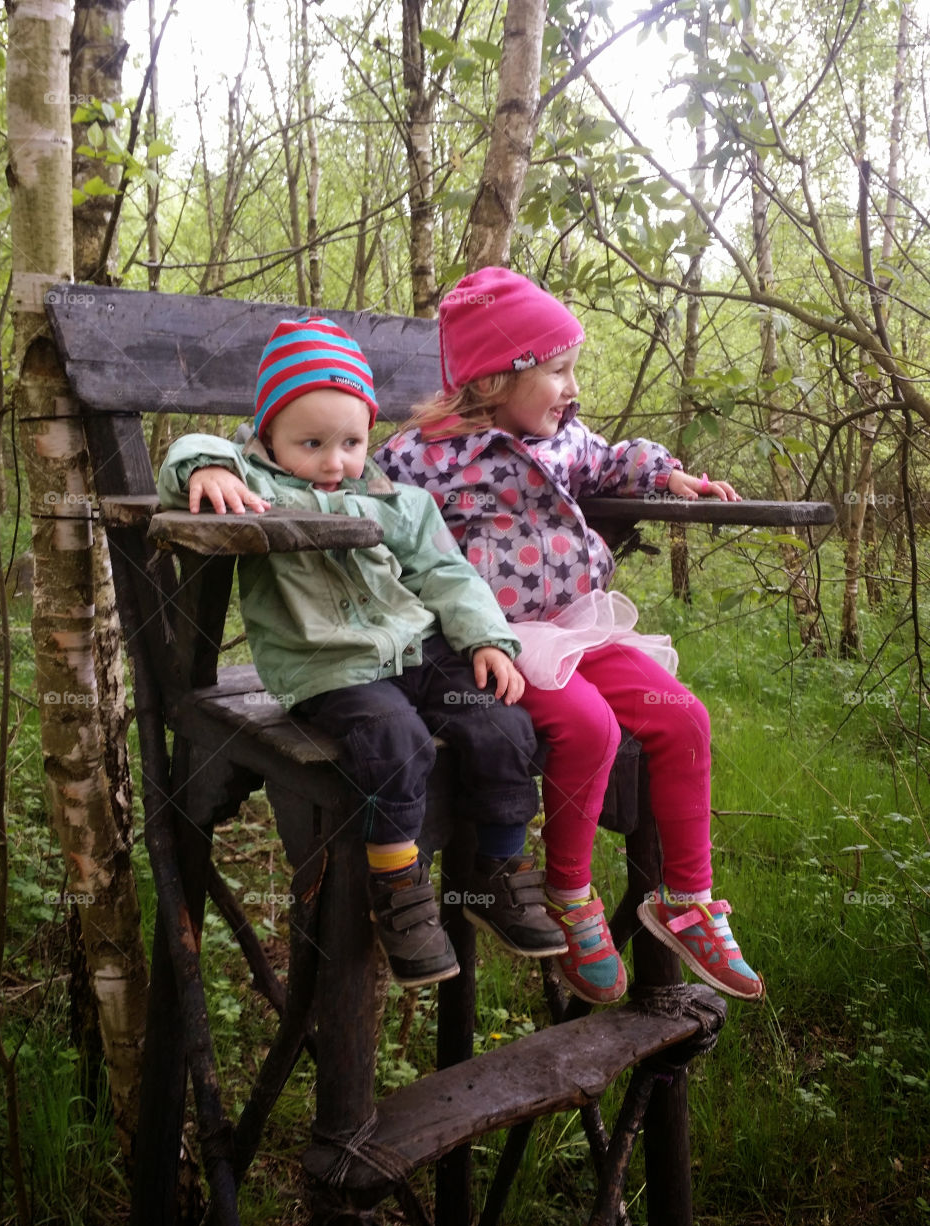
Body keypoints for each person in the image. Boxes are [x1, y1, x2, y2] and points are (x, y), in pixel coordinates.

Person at [375, 267, 764, 1005]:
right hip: (494, 642)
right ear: (492, 379)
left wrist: (667, 475)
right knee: (589, 729)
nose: (572, 387)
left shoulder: (566, 442)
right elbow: (357, 492)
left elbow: (615, 458)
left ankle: (689, 901)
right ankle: (569, 893)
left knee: (683, 717)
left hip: (577, 624)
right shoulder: (422, 457)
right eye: (557, 370)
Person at [157, 315, 567, 988]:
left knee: (502, 724)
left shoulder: (390, 498)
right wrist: (204, 465)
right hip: (330, 665)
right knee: (394, 740)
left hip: (417, 647)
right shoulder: (256, 486)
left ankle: (494, 868)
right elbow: (188, 455)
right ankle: (397, 886)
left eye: (350, 441)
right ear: (267, 437)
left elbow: (446, 574)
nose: (333, 461)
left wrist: (488, 640)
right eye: (310, 442)